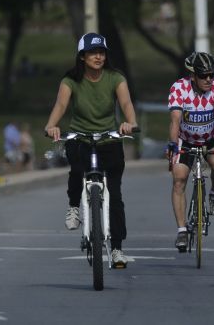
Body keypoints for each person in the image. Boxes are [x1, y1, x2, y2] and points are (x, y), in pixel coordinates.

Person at [44, 32, 138, 269]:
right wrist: (51, 125)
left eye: (102, 52)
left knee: (115, 196)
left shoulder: (115, 78)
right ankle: (74, 207)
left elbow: (126, 103)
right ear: (82, 56)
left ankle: (116, 249)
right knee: (77, 169)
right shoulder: (70, 81)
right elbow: (61, 105)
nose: (98, 57)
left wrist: (129, 123)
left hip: (109, 138)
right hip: (80, 137)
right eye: (93, 53)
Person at [166, 52, 214, 252]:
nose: (209, 79)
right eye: (204, 75)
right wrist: (172, 145)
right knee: (179, 177)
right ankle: (181, 230)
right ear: (193, 75)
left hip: (210, 137)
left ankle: (213, 193)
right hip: (185, 138)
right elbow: (175, 121)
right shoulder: (179, 88)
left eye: (211, 74)